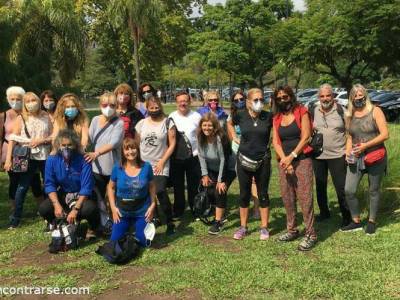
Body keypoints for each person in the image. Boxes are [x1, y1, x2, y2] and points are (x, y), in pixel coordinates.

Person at [272, 86, 317, 251]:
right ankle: (292, 230)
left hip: (302, 160)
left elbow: (306, 137)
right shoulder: (276, 118)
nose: (283, 100)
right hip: (284, 162)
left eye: (285, 97)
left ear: (291, 96)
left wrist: (292, 156)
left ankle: (311, 234)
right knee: (287, 197)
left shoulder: (302, 111)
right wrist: (285, 160)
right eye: (279, 98)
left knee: (305, 198)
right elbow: (276, 142)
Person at [341, 84, 389, 234]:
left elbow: (385, 134)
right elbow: (349, 136)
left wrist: (366, 145)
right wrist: (347, 153)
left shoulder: (376, 111)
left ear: (366, 96)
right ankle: (356, 221)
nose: (358, 98)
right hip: (356, 157)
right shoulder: (349, 114)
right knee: (349, 189)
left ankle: (372, 221)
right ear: (351, 98)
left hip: (375, 155)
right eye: (355, 96)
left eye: (361, 95)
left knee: (373, 190)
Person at [227, 88, 272, 241]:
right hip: (244, 159)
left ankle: (264, 227)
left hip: (263, 160)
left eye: (261, 100)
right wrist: (234, 137)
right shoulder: (240, 115)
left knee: (263, 193)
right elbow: (229, 123)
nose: (259, 103)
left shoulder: (268, 116)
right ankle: (243, 227)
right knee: (244, 193)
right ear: (248, 102)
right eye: (256, 100)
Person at [4, 92, 52, 228]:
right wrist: (8, 159)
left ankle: (49, 215)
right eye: (28, 101)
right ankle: (15, 218)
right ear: (25, 104)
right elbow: (12, 139)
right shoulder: (21, 118)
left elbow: (53, 135)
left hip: (45, 155)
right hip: (27, 157)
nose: (32, 103)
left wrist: (42, 140)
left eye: (34, 100)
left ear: (38, 101)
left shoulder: (46, 116)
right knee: (23, 187)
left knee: (48, 185)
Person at [39, 129, 99, 237]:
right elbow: (49, 184)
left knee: (90, 209)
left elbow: (86, 187)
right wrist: (56, 204)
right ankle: (57, 222)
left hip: (81, 196)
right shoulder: (52, 160)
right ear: (58, 145)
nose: (66, 148)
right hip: (64, 194)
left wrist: (76, 209)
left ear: (75, 145)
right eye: (63, 145)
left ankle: (93, 227)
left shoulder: (84, 159)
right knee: (44, 208)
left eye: (69, 145)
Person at [311, 83, 352, 226]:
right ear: (319, 97)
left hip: (338, 155)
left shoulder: (342, 110)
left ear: (333, 96)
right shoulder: (312, 110)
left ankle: (347, 216)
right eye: (322, 96)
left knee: (341, 187)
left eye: (328, 95)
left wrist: (348, 150)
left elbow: (350, 133)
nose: (325, 98)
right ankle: (324, 213)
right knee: (320, 186)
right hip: (318, 156)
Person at [135, 95, 176, 234]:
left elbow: (172, 144)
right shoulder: (141, 123)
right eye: (151, 108)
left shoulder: (168, 122)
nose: (154, 110)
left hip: (161, 163)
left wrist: (162, 161)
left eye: (156, 107)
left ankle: (170, 220)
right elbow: (136, 144)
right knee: (147, 192)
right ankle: (156, 217)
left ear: (161, 107)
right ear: (147, 109)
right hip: (144, 163)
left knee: (160, 191)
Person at [107, 137, 157, 247]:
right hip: (122, 212)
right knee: (114, 243)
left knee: (143, 243)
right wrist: (113, 208)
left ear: (138, 150)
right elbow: (110, 188)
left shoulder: (146, 167)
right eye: (127, 149)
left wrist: (153, 204)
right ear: (123, 152)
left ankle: (143, 226)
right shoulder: (117, 168)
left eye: (133, 148)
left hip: (142, 211)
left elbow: (152, 186)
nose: (130, 152)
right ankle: (127, 229)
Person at [86, 92, 124, 234]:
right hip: (97, 168)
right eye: (105, 105)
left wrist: (96, 153)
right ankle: (96, 225)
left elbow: (113, 143)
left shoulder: (119, 122)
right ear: (100, 105)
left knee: (115, 197)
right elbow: (89, 138)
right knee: (97, 196)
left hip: (114, 167)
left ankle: (118, 224)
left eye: (112, 105)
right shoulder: (95, 119)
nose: (108, 108)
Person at [197, 113, 236, 234]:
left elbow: (224, 160)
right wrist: (205, 175)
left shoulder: (220, 138)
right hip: (212, 168)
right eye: (204, 125)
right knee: (209, 190)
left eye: (210, 126)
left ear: (215, 127)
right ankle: (218, 211)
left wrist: (221, 180)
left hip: (228, 168)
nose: (206, 128)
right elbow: (201, 157)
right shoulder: (200, 137)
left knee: (220, 190)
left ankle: (218, 221)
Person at [227, 90, 260, 219]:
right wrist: (234, 137)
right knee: (243, 181)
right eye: (236, 100)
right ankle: (245, 207)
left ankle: (256, 209)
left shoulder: (251, 113)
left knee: (253, 181)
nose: (239, 102)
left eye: (241, 99)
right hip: (237, 151)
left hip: (252, 150)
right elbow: (229, 125)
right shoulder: (233, 115)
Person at [169, 91, 202, 217]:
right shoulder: (171, 116)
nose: (183, 103)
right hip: (177, 156)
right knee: (178, 185)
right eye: (180, 101)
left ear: (189, 102)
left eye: (185, 101)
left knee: (193, 184)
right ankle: (178, 209)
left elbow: (200, 136)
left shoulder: (197, 116)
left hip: (194, 156)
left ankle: (195, 208)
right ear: (176, 103)